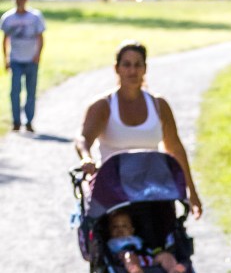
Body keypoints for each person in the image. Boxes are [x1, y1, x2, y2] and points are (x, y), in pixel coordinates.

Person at [75, 40, 202, 218]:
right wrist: (86, 158)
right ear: (116, 68)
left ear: (145, 68)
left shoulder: (159, 105)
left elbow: (176, 149)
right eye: (126, 65)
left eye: (137, 65)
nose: (132, 71)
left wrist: (192, 192)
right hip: (114, 189)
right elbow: (83, 138)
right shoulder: (103, 106)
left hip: (153, 189)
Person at [1, 0, 45, 133]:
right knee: (15, 91)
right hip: (16, 59)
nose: (20, 2)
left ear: (26, 0)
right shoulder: (8, 18)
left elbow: (40, 37)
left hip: (31, 59)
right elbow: (5, 39)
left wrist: (38, 54)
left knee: (31, 92)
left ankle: (29, 121)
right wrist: (5, 58)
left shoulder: (35, 17)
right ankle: (16, 121)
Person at [107, 209, 187, 273]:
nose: (120, 230)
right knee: (128, 256)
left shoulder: (136, 239)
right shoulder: (112, 242)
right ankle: (135, 271)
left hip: (146, 258)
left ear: (132, 230)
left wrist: (153, 252)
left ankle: (172, 269)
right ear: (109, 231)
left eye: (124, 226)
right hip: (126, 260)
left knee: (165, 256)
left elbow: (145, 248)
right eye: (115, 227)